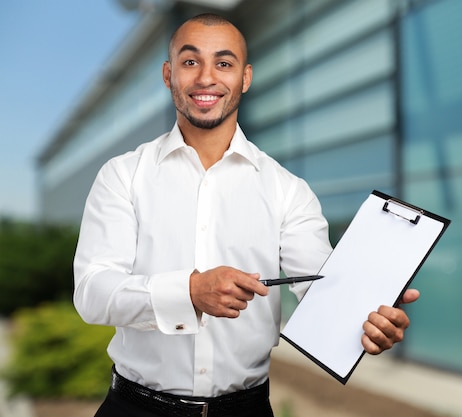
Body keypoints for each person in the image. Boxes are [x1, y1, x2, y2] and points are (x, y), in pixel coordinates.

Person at [73, 12, 420, 417]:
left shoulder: (287, 190)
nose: (206, 77)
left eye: (224, 63)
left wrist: (369, 319)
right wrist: (189, 291)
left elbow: (321, 291)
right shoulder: (122, 175)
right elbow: (93, 293)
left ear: (245, 78)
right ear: (168, 74)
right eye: (190, 62)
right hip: (134, 409)